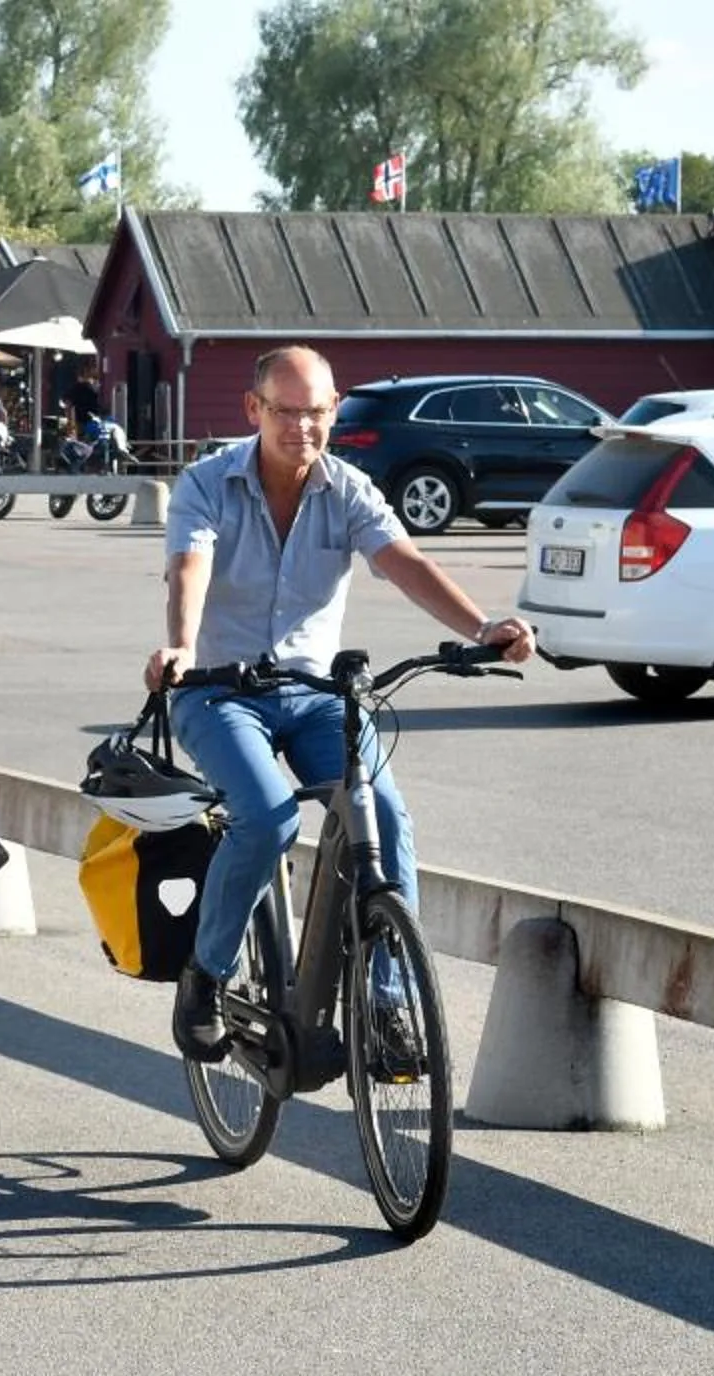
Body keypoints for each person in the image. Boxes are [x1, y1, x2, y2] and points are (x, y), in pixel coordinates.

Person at [143, 345, 535, 1060]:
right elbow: (188, 564)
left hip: (314, 694)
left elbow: (404, 561)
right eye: (286, 411)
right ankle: (207, 975)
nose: (303, 427)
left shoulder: (347, 488)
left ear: (334, 410)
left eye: (318, 411)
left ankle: (385, 1003)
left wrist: (483, 628)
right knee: (266, 816)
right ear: (253, 410)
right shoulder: (206, 483)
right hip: (216, 693)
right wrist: (180, 644)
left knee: (381, 811)